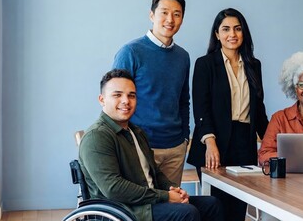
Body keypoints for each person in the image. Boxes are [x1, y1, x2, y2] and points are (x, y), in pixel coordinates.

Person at [79, 69, 223, 221]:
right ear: (102, 100)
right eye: (117, 95)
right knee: (187, 212)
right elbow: (113, 188)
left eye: (131, 95)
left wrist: (173, 190)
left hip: (148, 203)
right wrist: (165, 196)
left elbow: (155, 173)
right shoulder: (97, 136)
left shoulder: (137, 132)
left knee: (211, 204)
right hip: (123, 210)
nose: (126, 101)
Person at [186, 8, 269, 221]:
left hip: (244, 145)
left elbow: (258, 110)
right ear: (217, 34)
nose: (232, 34)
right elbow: (201, 108)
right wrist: (210, 143)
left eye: (237, 29)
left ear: (244, 33)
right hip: (214, 143)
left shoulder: (253, 65)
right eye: (226, 29)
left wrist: (272, 144)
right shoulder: (205, 64)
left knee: (237, 210)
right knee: (217, 209)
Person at [112, 0, 189, 186]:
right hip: (140, 145)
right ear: (152, 15)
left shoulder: (183, 57)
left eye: (177, 14)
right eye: (164, 12)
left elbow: (183, 100)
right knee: (144, 210)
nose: (170, 19)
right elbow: (116, 101)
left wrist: (185, 138)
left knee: (173, 210)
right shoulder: (131, 52)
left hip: (175, 147)